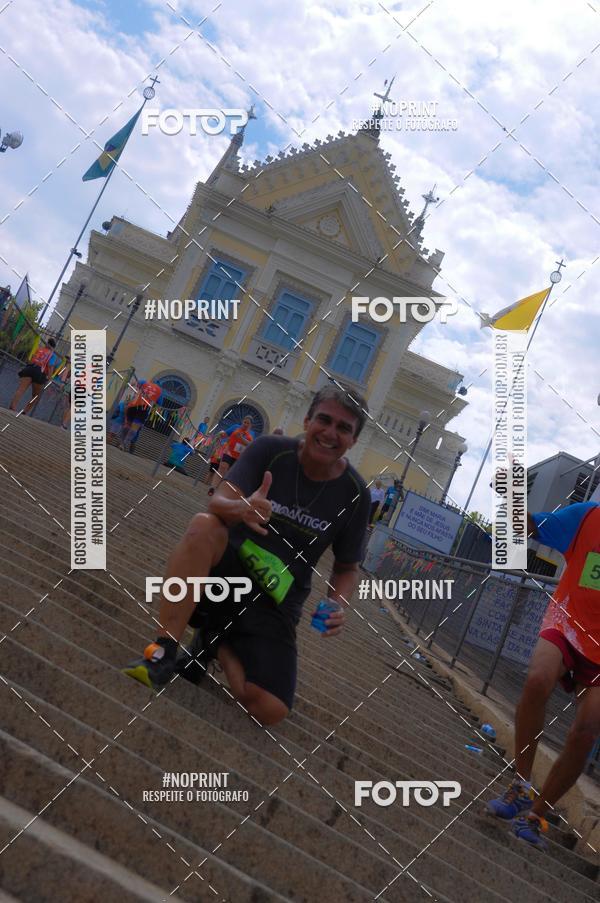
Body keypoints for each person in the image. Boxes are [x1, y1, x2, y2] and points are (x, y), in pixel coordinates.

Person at [123, 384, 372, 726]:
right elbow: (217, 502)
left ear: (354, 441)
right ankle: (164, 650)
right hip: (226, 574)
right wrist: (242, 509)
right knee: (203, 526)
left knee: (270, 709)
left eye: (343, 428)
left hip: (277, 603)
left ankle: (214, 641)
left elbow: (346, 566)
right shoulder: (271, 450)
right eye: (324, 420)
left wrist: (338, 604)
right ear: (307, 419)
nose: (331, 433)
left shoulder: (356, 494)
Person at [486, 500, 600, 849]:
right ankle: (521, 783)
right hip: (567, 623)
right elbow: (529, 525)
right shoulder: (587, 517)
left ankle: (536, 814)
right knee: (537, 679)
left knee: (586, 732)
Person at [10, 337, 59, 415]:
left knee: (21, 389)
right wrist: (49, 379)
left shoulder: (39, 349)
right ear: (53, 347)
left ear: (46, 343)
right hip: (40, 373)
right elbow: (50, 366)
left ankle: (13, 407)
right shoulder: (52, 355)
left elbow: (31, 359)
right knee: (36, 396)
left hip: (31, 367)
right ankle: (24, 411)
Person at [207, 416, 254, 496]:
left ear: (250, 425)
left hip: (238, 457)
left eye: (248, 423)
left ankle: (222, 489)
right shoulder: (235, 427)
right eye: (244, 422)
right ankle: (213, 488)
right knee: (223, 467)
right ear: (242, 422)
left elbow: (250, 445)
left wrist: (241, 438)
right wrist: (221, 434)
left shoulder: (251, 434)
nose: (245, 424)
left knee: (230, 475)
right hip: (228, 452)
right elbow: (225, 435)